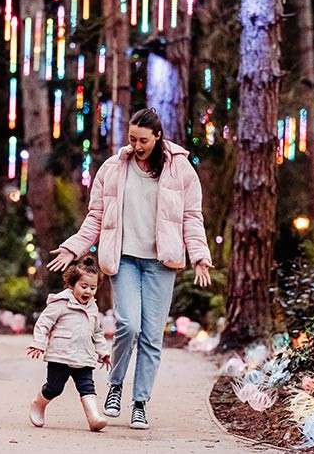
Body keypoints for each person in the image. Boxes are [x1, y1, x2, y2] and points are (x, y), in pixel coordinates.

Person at [46, 107, 213, 430]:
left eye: (143, 140)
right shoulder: (113, 168)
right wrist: (73, 246)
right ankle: (116, 385)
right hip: (123, 259)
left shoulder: (180, 170)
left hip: (160, 263)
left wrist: (200, 254)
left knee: (151, 336)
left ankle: (140, 402)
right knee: (128, 325)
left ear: (158, 137)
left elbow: (192, 216)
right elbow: (95, 216)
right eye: (132, 139)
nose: (136, 146)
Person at [27, 255, 112, 432]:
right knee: (54, 388)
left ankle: (94, 418)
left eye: (93, 287)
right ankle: (38, 404)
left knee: (87, 387)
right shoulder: (60, 303)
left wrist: (103, 351)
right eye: (84, 286)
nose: (88, 291)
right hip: (60, 355)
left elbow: (97, 331)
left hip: (84, 356)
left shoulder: (93, 307)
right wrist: (39, 343)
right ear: (72, 284)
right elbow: (43, 323)